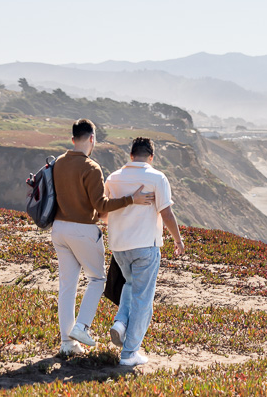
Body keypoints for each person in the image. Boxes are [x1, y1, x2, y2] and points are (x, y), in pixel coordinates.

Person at [51, 118, 153, 356]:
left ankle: (67, 343)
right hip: (83, 229)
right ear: (92, 139)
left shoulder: (58, 163)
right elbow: (100, 205)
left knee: (66, 286)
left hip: (59, 229)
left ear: (73, 139)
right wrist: (131, 200)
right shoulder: (91, 167)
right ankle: (82, 327)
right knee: (97, 279)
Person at [104, 136, 186, 367]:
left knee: (130, 285)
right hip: (145, 247)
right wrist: (177, 241)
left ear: (131, 155)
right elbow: (167, 213)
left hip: (119, 247)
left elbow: (104, 211)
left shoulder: (113, 178)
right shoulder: (157, 177)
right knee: (143, 300)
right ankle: (130, 353)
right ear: (151, 157)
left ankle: (120, 323)